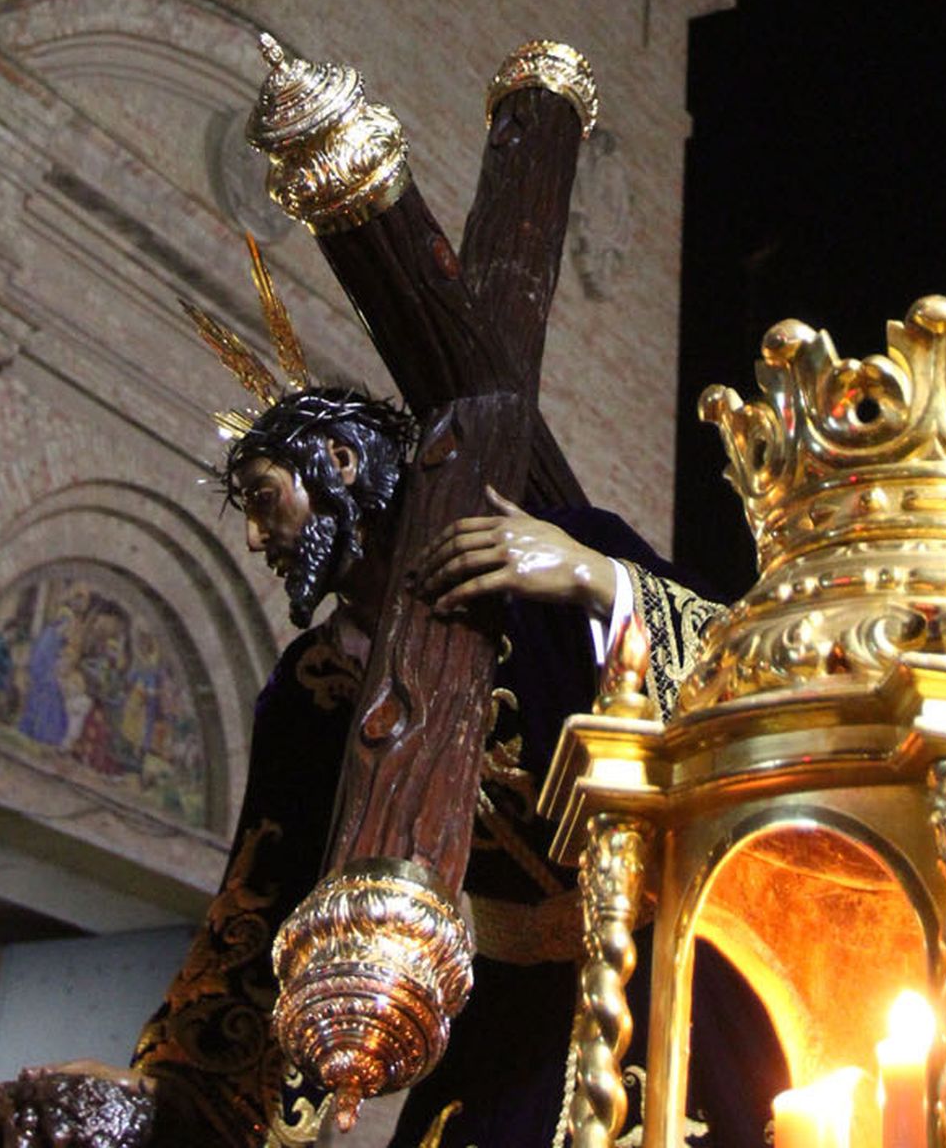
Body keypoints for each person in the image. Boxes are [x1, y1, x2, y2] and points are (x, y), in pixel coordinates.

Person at [118, 384, 780, 1148]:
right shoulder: (311, 689)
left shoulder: (548, 551)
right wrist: (168, 1091)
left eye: (267, 500)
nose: (255, 538)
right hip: (505, 1026)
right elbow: (255, 914)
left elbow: (750, 659)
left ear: (340, 462)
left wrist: (599, 579)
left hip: (681, 982)